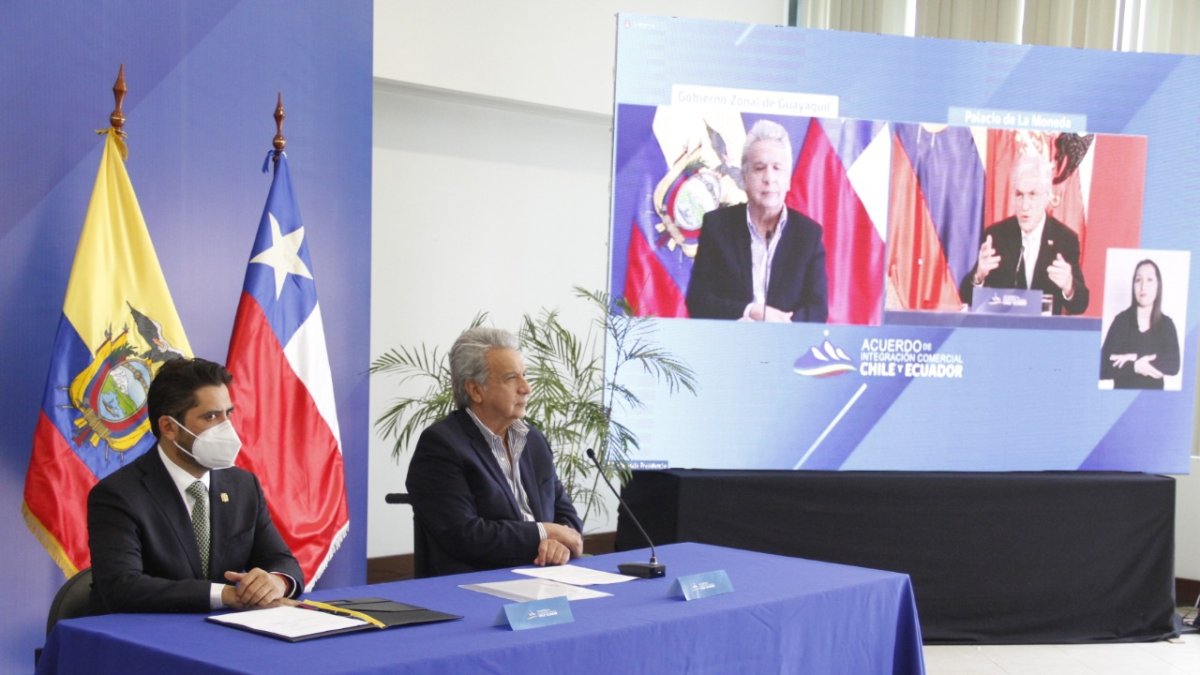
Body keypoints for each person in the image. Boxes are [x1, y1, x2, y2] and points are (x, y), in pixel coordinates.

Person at [88, 357, 303, 613]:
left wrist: (276, 582)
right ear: (169, 427)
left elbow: (281, 560)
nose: (226, 428)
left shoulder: (243, 485)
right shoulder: (118, 495)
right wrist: (223, 594)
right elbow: (122, 587)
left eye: (228, 414)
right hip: (147, 637)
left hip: (225, 635)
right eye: (211, 417)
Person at [406, 327, 583, 575]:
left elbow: (567, 516)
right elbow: (466, 535)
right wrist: (544, 532)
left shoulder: (533, 441)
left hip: (544, 577)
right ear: (476, 390)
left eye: (525, 375)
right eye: (512, 378)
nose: (526, 388)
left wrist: (557, 542)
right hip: (475, 586)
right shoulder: (441, 446)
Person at [685, 119, 828, 322]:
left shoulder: (808, 235)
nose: (769, 178)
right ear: (743, 177)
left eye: (777, 168)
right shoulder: (717, 226)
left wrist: (784, 326)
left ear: (788, 179)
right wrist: (749, 311)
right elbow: (698, 300)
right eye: (759, 168)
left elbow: (817, 309)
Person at [959, 154, 1089, 315]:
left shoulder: (1065, 239)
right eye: (1019, 195)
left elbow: (1081, 304)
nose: (1024, 205)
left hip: (1043, 336)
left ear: (1047, 196)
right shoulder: (996, 236)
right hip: (1003, 333)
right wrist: (979, 276)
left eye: (1032, 194)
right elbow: (966, 296)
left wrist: (1069, 285)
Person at [1100, 259, 1180, 389]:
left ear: (1158, 285)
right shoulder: (1121, 322)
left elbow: (1173, 364)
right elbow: (1101, 367)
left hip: (1153, 401)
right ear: (1133, 285)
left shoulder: (1166, 324)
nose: (1143, 286)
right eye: (1138, 280)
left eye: (1149, 280)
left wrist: (1135, 356)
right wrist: (1135, 367)